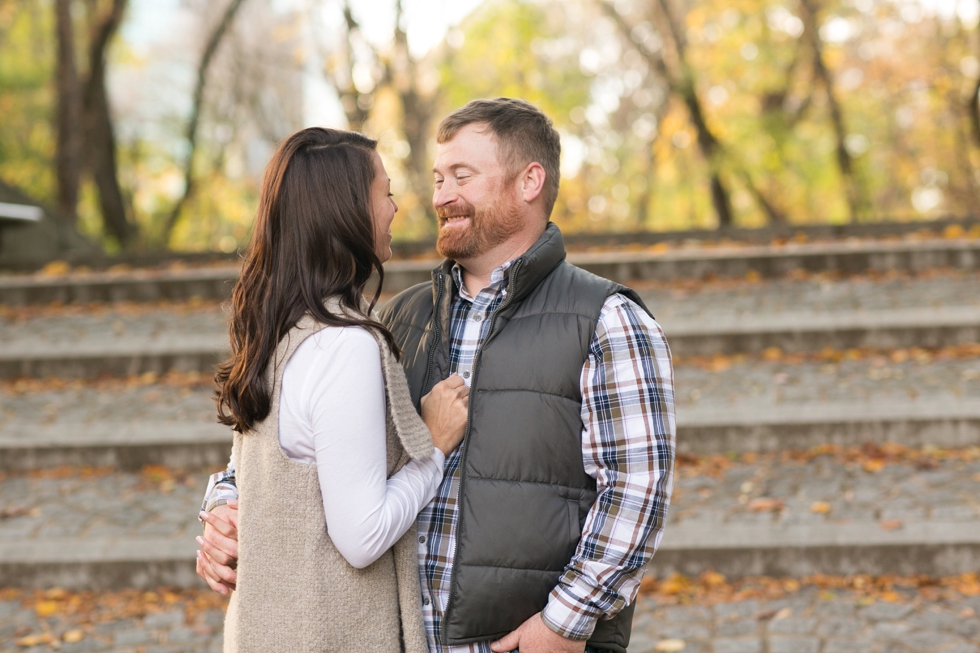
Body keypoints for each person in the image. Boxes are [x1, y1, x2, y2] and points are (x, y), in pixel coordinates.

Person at [198, 98, 676, 653]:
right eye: (436, 178)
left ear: (529, 181)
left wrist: (564, 623)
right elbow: (303, 448)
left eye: (462, 176)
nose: (440, 196)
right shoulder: (396, 321)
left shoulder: (608, 320)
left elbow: (638, 490)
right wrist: (223, 508)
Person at [202, 126, 471, 652]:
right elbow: (363, 536)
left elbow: (262, 472)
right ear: (345, 211)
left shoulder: (280, 331)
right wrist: (433, 447)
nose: (395, 208)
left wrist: (220, 503)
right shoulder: (345, 347)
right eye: (385, 193)